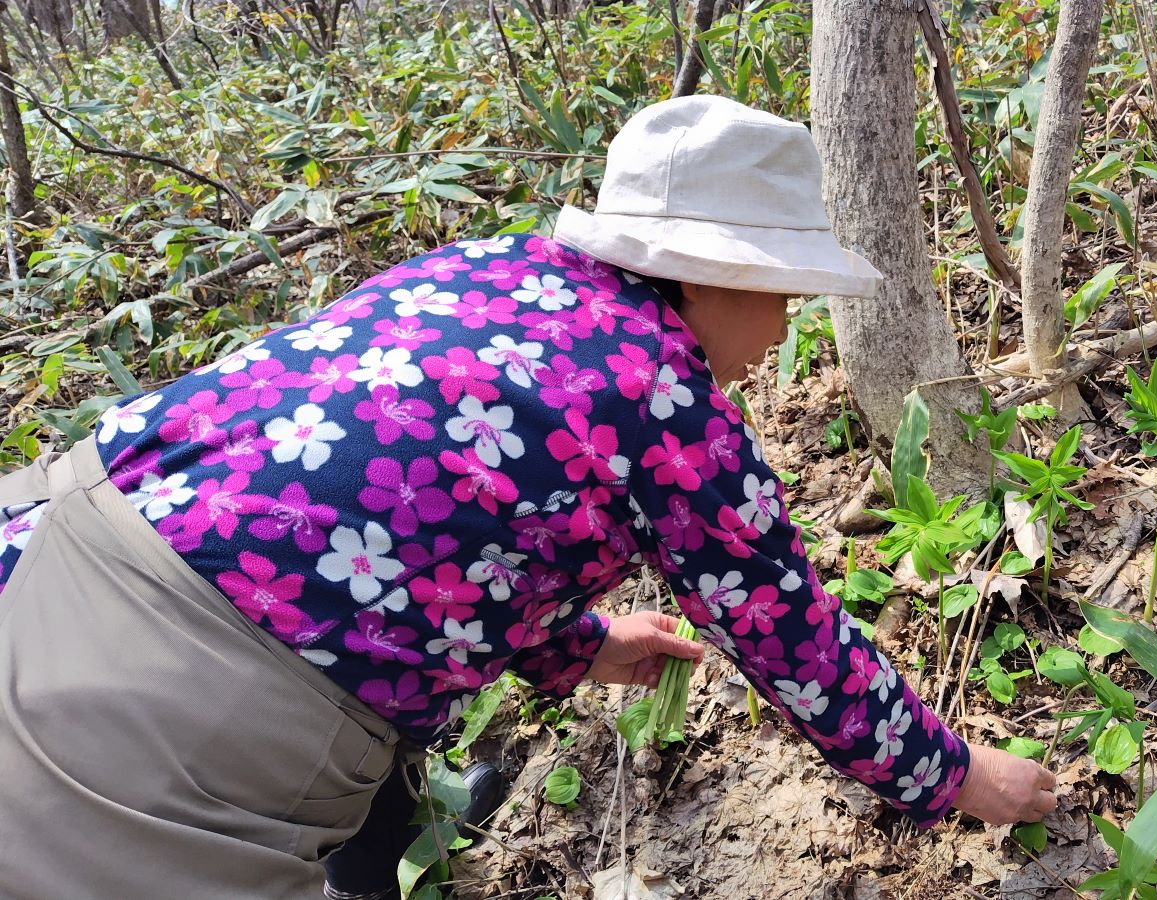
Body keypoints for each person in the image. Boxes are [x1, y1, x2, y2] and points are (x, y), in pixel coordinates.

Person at [0, 95, 1056, 899]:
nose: (782, 330)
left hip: (60, 529)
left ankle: (391, 855)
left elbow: (411, 516)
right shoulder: (666, 401)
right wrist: (956, 776)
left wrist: (574, 646)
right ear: (709, 272)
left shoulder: (492, 270)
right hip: (174, 701)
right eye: (781, 293)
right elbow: (792, 638)